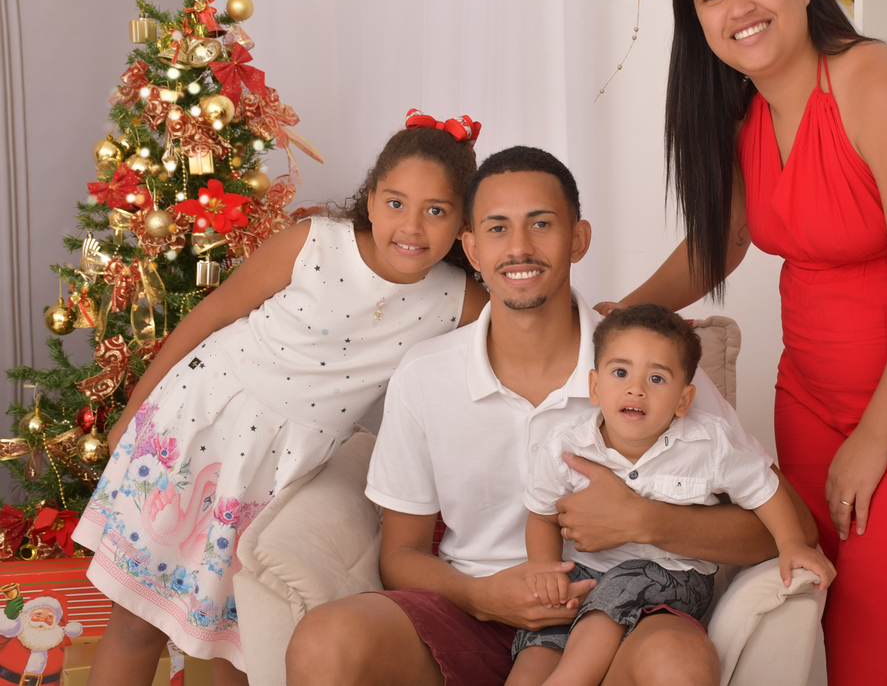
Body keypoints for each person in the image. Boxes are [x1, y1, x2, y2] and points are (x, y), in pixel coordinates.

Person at [596, 0, 887, 686]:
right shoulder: (744, 116)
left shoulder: (885, 84)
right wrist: (625, 312)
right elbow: (722, 242)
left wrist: (876, 437)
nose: (739, 7)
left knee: (884, 660)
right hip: (812, 406)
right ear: (698, 20)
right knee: (831, 636)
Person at [285, 146, 818, 686]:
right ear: (471, 247)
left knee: (677, 662)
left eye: (541, 224)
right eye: (497, 228)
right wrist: (480, 596)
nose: (519, 247)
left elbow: (790, 528)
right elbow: (400, 553)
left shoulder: (649, 370)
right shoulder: (425, 374)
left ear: (578, 239)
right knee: (325, 641)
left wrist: (646, 520)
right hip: (474, 611)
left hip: (627, 612)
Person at [72, 110, 490, 686]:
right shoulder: (314, 242)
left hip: (282, 470)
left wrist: (598, 321)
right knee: (137, 621)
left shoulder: (458, 301)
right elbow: (213, 314)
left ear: (464, 224)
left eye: (436, 211)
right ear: (371, 200)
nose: (411, 226)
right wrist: (133, 410)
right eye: (396, 202)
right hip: (200, 423)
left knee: (237, 646)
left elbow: (536, 325)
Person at [508, 303, 833, 686]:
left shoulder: (708, 443)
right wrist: (547, 571)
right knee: (536, 650)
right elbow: (542, 516)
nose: (636, 388)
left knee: (613, 599)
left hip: (670, 575)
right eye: (620, 372)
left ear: (683, 399)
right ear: (595, 387)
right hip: (586, 573)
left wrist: (791, 541)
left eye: (657, 378)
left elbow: (763, 487)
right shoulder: (566, 445)